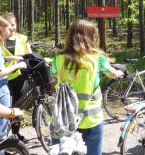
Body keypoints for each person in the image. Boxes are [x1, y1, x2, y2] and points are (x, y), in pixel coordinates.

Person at [50, 19, 124, 155]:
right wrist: (119, 72)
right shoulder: (98, 58)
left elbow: (54, 75)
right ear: (90, 37)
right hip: (91, 119)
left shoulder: (58, 59)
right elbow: (112, 74)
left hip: (64, 120)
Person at [3, 12, 32, 142]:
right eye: (9, 26)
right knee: (5, 106)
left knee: (17, 106)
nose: (12, 28)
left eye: (13, 25)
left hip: (20, 77)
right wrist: (12, 59)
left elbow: (29, 54)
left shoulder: (22, 38)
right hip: (3, 77)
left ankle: (16, 134)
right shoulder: (0, 40)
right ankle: (2, 135)